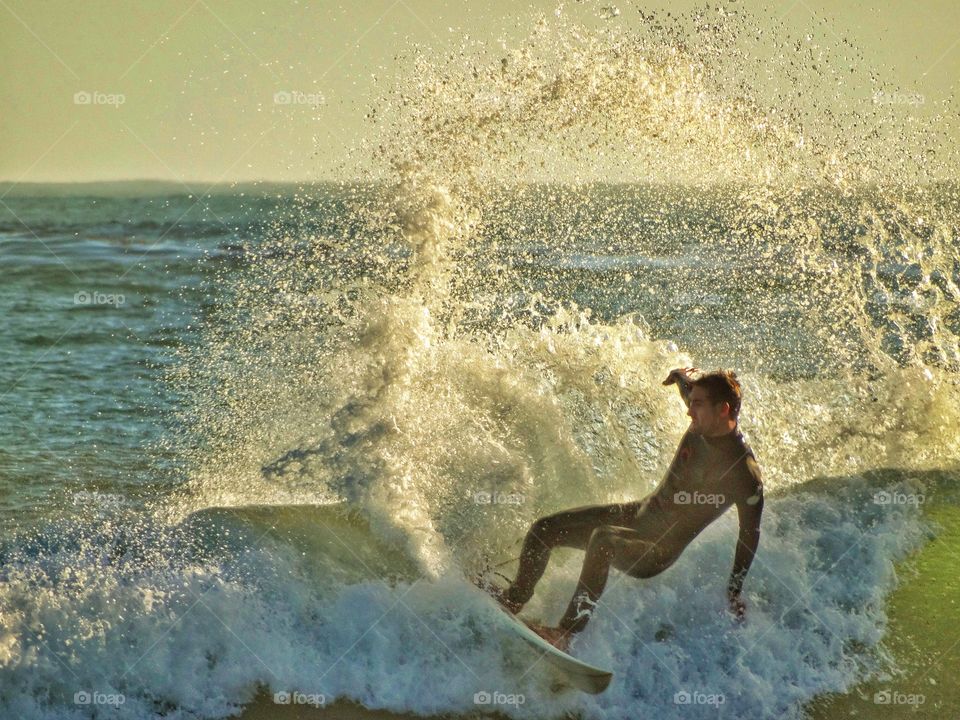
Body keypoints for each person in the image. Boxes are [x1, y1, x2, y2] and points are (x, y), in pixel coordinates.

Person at [484, 368, 764, 650]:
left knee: (603, 540)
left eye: (697, 405)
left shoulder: (743, 473)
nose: (689, 411)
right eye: (691, 402)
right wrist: (679, 375)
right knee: (545, 529)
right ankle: (514, 599)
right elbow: (688, 386)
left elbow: (749, 532)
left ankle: (565, 633)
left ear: (723, 410)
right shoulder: (705, 414)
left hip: (657, 550)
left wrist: (734, 590)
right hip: (638, 514)